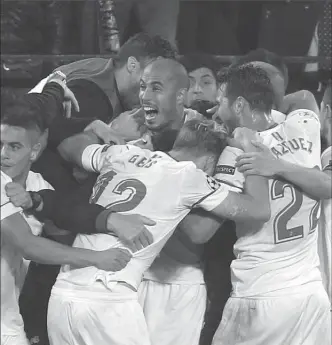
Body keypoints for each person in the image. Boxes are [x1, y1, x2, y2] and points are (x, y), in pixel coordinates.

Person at [47, 117, 270, 345]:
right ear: (209, 160)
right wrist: (249, 153)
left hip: (61, 297)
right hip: (108, 302)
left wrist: (101, 130)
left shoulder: (122, 154)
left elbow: (68, 147)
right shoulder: (189, 176)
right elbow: (259, 209)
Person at [211, 64, 331, 345]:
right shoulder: (304, 127)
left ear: (239, 104)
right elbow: (301, 99)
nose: (216, 113)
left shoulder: (236, 154)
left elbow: (204, 230)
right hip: (309, 295)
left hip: (260, 295)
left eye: (220, 103)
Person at [0, 93, 132, 345]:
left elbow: (65, 223)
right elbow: (28, 245)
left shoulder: (39, 186)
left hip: (8, 319)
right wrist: (97, 258)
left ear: (34, 151)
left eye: (14, 146)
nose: (3, 154)